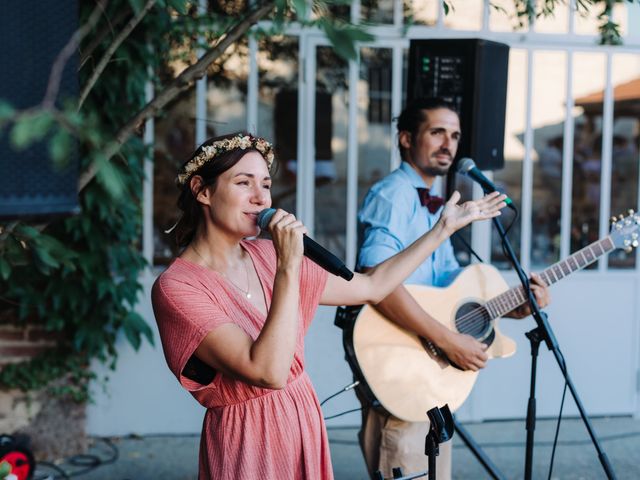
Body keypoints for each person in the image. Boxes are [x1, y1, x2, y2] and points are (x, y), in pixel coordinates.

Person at [151, 131, 507, 480]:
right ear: (202, 190)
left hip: (301, 418)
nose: (261, 198)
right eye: (244, 183)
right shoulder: (177, 288)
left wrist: (441, 229)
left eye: (265, 184)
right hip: (246, 439)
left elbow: (371, 286)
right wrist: (289, 267)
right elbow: (268, 372)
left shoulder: (266, 253)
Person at [356, 98, 551, 479]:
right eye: (437, 132)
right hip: (401, 359)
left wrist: (517, 306)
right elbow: (376, 279)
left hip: (430, 370)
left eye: (455, 135)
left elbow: (449, 289)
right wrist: (447, 340)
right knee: (405, 459)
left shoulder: (436, 206)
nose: (449, 143)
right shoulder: (394, 194)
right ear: (406, 138)